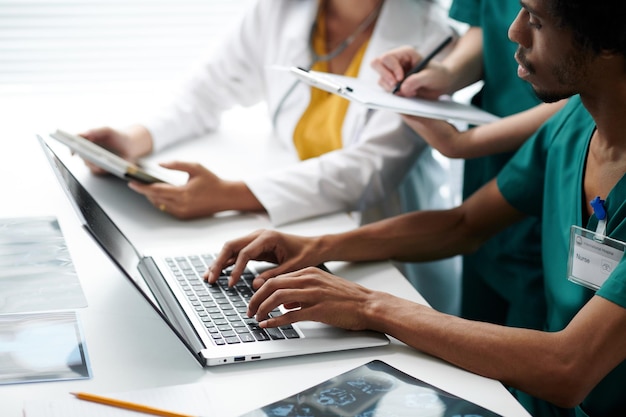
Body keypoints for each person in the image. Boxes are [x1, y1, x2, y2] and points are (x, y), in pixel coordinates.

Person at [207, 1, 626, 415]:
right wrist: (315, 246)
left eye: (535, 20)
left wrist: (370, 306)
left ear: (609, 41)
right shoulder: (574, 124)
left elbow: (569, 366)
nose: (513, 32)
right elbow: (462, 224)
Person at [78, 0, 463, 315]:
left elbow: (370, 168)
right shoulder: (278, 10)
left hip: (376, 242)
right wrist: (133, 140)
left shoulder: (433, 35)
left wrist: (227, 195)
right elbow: (205, 91)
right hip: (294, 215)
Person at [370, 0, 568, 332]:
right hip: (491, 167)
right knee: (478, 319)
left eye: (534, 18)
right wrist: (444, 74)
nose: (514, 32)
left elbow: (596, 82)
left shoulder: (574, 139)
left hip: (549, 164)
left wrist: (467, 144)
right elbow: (484, 29)